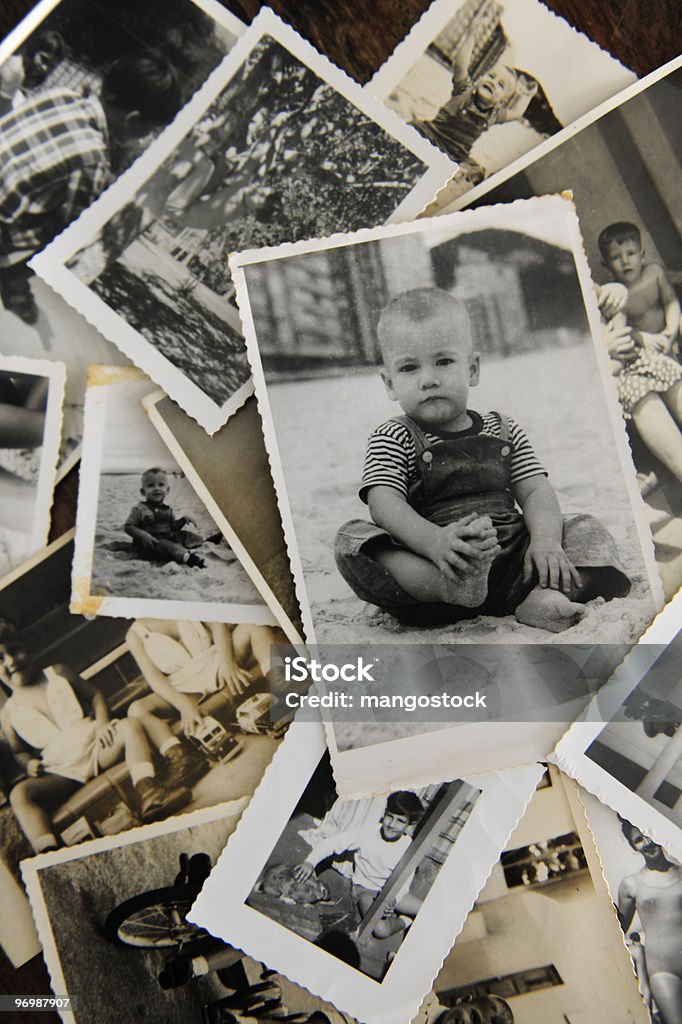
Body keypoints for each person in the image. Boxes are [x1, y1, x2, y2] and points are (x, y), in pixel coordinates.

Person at [335, 288, 630, 632]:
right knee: (352, 541)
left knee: (586, 530)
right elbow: (384, 503)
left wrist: (545, 542)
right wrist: (435, 543)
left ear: (472, 369)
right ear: (389, 382)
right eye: (409, 367)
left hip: (515, 563)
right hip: (438, 568)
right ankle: (451, 588)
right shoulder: (393, 436)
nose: (428, 379)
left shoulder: (502, 429)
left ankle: (543, 596)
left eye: (443, 361)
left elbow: (535, 490)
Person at [0, 52, 181, 324]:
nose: (146, 137)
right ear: (133, 119)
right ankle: (12, 282)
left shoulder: (61, 95)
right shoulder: (93, 162)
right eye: (150, 129)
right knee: (69, 232)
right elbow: (65, 235)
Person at [0, 618, 190, 853]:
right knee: (20, 794)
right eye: (0, 658)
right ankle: (50, 851)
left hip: (98, 747)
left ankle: (148, 790)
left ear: (27, 648)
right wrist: (29, 763)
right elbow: (19, 751)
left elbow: (96, 696)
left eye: (15, 651)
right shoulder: (9, 714)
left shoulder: (56, 674)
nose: (10, 661)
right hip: (61, 771)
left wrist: (102, 725)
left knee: (130, 726)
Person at [126, 620, 286, 781]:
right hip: (186, 687)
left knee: (254, 625)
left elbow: (218, 626)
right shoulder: (134, 635)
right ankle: (179, 755)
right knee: (136, 709)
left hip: (217, 662)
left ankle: (282, 688)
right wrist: (184, 705)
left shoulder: (182, 597)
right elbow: (154, 679)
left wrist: (227, 662)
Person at [410, 33, 560, 166]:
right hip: (432, 134)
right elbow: (461, 66)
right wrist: (471, 37)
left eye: (501, 85)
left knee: (472, 169)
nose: (493, 83)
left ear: (501, 101)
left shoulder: (493, 115)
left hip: (453, 154)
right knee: (413, 128)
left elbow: (516, 113)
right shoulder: (464, 93)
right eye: (491, 76)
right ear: (479, 79)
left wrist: (527, 95)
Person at [293, 791, 425, 938]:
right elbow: (333, 842)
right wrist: (310, 862)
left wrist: (393, 900)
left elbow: (405, 881)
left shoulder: (407, 845)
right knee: (380, 930)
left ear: (409, 825)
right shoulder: (369, 832)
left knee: (427, 909)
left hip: (391, 890)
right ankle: (405, 921)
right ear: (385, 813)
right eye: (390, 816)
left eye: (400, 821)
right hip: (366, 890)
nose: (392, 825)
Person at [617, 817, 682, 1024]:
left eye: (648, 834)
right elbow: (617, 930)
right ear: (633, 846)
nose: (647, 842)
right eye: (638, 840)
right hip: (664, 971)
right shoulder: (631, 885)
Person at [124, 466, 206, 569]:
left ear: (167, 490)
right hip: (150, 545)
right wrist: (143, 535)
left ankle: (205, 540)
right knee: (165, 545)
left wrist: (182, 521)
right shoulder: (140, 509)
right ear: (143, 492)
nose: (156, 488)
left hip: (168, 538)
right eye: (150, 485)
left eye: (161, 485)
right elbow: (128, 526)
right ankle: (188, 558)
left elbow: (172, 527)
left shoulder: (168, 510)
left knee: (184, 535)